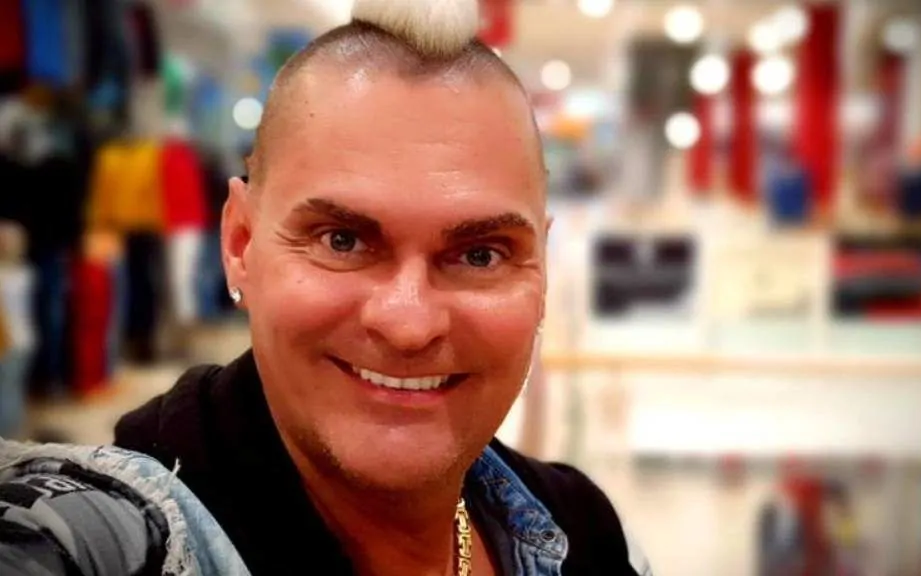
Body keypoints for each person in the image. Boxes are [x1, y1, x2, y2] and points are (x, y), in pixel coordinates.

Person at [111, 1, 651, 575]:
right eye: (342, 241)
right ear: (240, 243)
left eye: (479, 255)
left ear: (540, 267)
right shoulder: (112, 538)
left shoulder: (589, 534)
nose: (408, 324)